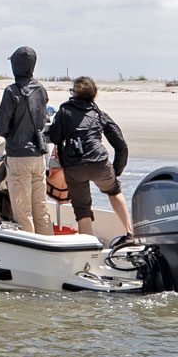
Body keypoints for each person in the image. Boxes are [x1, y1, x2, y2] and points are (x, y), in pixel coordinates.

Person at [46, 76, 133, 238]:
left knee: (82, 210)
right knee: (114, 191)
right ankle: (129, 233)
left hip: (74, 166)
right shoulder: (98, 113)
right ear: (94, 94)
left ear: (74, 92)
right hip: (99, 163)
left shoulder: (64, 111)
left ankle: (89, 247)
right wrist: (116, 171)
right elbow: (121, 146)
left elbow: (56, 137)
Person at [0, 46, 52, 235]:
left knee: (22, 210)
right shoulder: (41, 90)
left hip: (19, 156)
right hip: (38, 156)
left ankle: (31, 250)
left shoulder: (11, 91)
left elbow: (1, 127)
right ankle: (47, 244)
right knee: (40, 207)